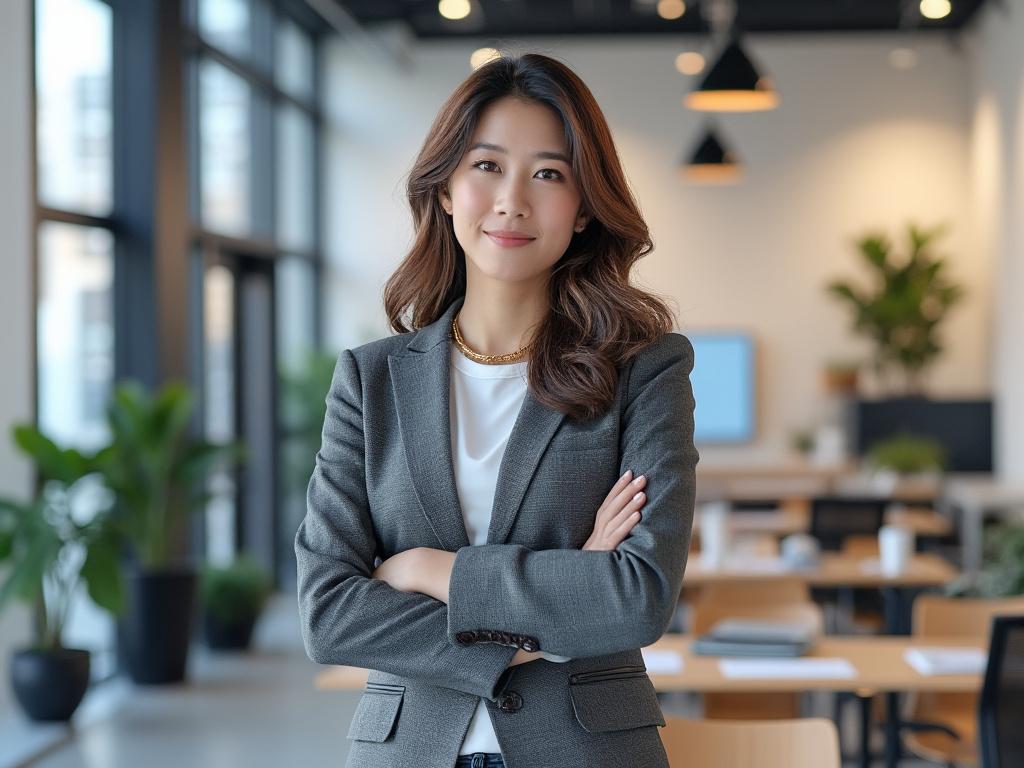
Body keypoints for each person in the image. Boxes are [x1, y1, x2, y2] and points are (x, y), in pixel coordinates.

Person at [295, 52, 699, 768]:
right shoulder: (370, 379)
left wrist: (425, 569)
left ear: (584, 208)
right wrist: (557, 610)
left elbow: (637, 597)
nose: (512, 201)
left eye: (549, 174)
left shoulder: (644, 369)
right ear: (446, 189)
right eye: (487, 166)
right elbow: (329, 614)